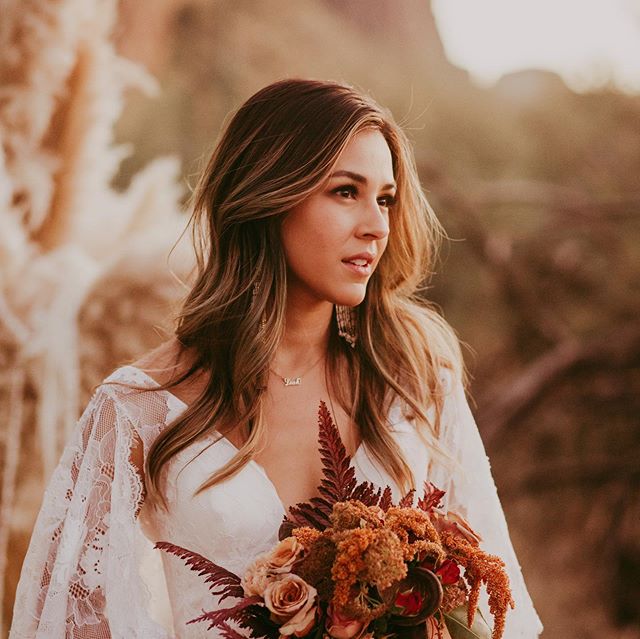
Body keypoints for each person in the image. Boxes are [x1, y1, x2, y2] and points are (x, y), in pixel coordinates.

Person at [10, 79, 543, 638]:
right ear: (268, 196)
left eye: (384, 198)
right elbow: (70, 620)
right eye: (345, 192)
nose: (377, 226)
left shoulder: (413, 383)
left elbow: (489, 613)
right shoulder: (138, 409)